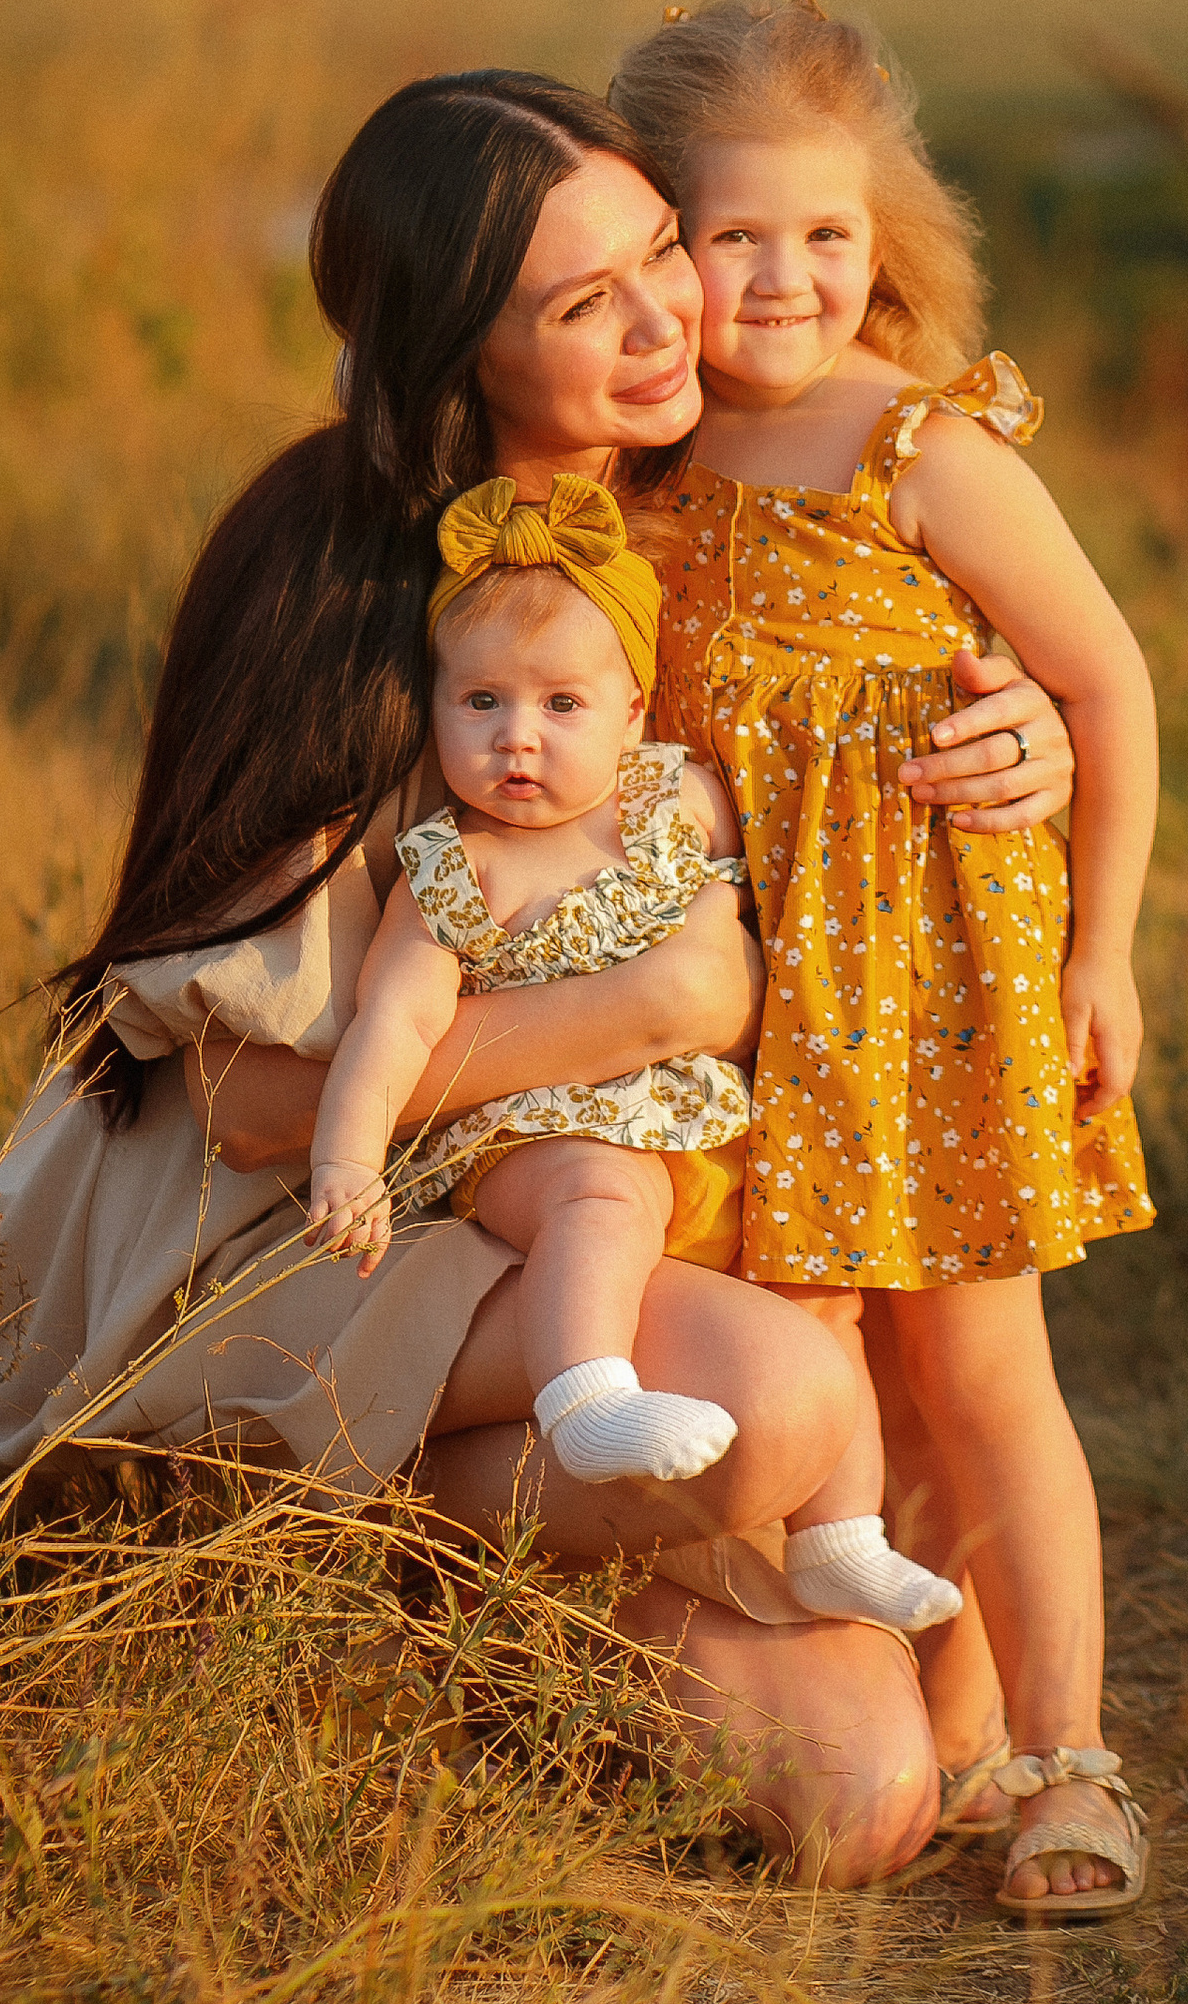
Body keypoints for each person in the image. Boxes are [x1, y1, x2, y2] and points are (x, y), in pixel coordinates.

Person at [0, 64, 1073, 1883]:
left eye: (660, 247)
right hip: (313, 1230)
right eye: (586, 302)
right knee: (796, 1418)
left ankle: (439, 1589)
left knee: (863, 1808)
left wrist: (1026, 731)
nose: (668, 310)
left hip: (582, 1241)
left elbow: (899, 685)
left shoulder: (720, 505)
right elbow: (259, 1105)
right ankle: (272, 1531)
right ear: (458, 353)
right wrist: (653, 1011)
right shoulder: (334, 581)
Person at [611, 0, 1161, 1919]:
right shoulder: (634, 467)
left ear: (888, 246)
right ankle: (949, 1720)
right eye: (732, 236)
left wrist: (1107, 950)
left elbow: (1107, 682)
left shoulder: (921, 442)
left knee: (981, 1362)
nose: (782, 278)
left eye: (827, 238)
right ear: (653, 245)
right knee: (841, 1363)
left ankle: (1076, 1762)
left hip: (935, 981)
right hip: (748, 996)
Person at [305, 470, 962, 1636]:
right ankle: (584, 1395)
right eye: (481, 704)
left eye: (561, 705)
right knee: (598, 1198)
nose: (518, 739)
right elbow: (394, 1027)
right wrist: (348, 1161)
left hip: (698, 1128)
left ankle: (838, 1538)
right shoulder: (453, 869)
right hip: (537, 1137)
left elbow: (817, 834)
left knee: (816, 1295)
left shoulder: (681, 799)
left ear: (635, 711)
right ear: (437, 706)